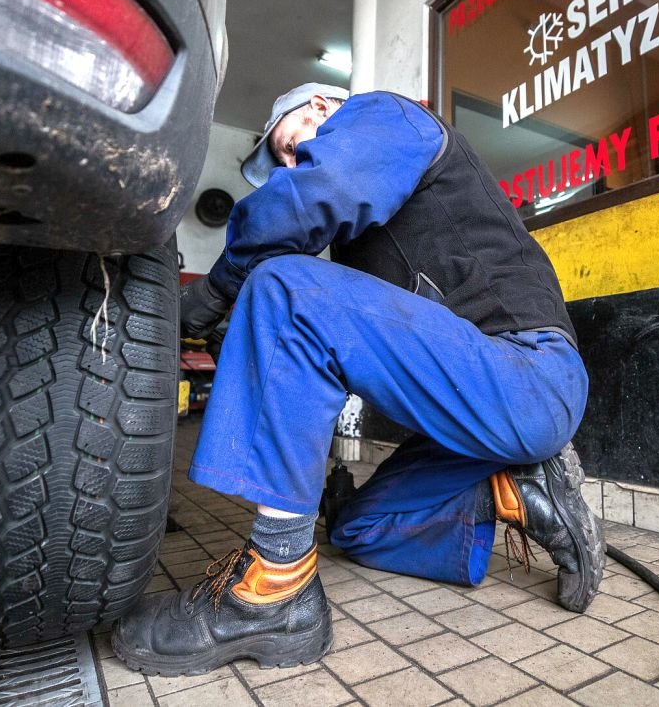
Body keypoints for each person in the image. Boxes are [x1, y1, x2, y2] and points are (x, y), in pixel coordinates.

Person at [113, 82, 602, 676]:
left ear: (320, 108)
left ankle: (275, 585)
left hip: (528, 378)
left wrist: (217, 288)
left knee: (284, 288)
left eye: (289, 148)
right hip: (475, 418)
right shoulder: (360, 234)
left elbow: (314, 200)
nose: (290, 169)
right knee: (358, 530)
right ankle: (514, 487)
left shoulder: (387, 115)